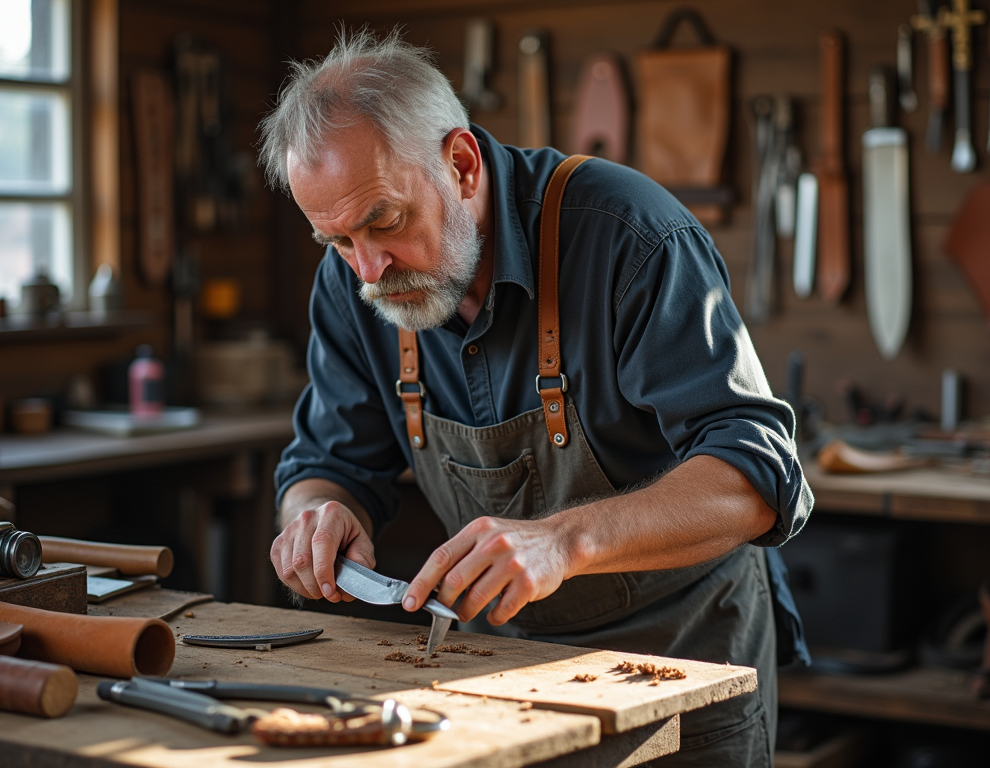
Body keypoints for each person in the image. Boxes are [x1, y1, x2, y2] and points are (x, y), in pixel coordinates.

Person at [260, 29, 812, 767]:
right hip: (495, 671)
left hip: (682, 659)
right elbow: (330, 460)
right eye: (337, 242)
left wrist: (564, 541)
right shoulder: (356, 283)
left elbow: (759, 479)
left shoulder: (631, 236)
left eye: (385, 222)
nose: (369, 268)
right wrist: (314, 515)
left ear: (459, 164)